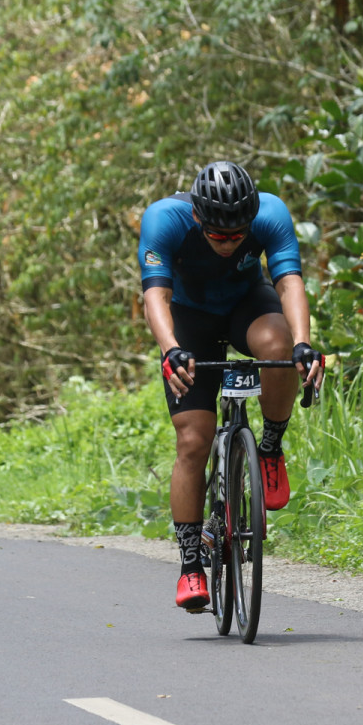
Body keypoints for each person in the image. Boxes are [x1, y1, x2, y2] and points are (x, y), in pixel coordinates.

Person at [138, 160, 324, 611]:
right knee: (193, 441)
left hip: (247, 305)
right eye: (217, 235)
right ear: (197, 217)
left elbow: (289, 283)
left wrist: (303, 343)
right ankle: (190, 565)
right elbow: (155, 294)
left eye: (238, 235)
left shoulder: (271, 214)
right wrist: (170, 349)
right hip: (190, 320)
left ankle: (270, 448)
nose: (228, 243)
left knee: (278, 345)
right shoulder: (164, 219)